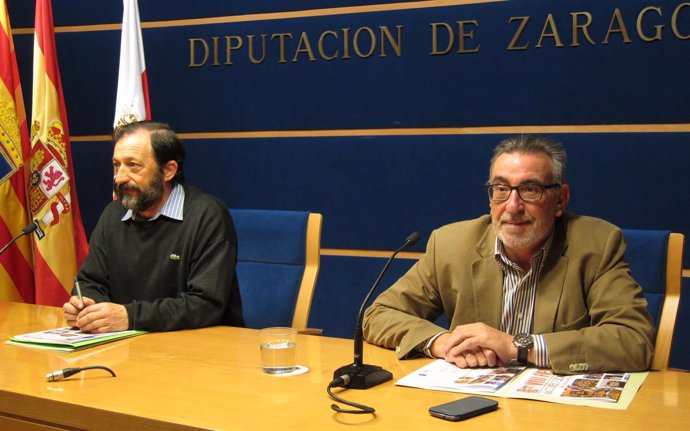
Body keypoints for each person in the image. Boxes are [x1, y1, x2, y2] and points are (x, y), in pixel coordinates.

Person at [363, 135, 655, 374]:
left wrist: (518, 346)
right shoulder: (450, 243)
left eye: (530, 189)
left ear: (560, 199)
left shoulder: (597, 244)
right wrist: (442, 342)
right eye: (501, 189)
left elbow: (634, 340)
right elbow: (378, 315)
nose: (512, 206)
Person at [63, 121, 244, 333]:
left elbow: (206, 305)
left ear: (168, 170)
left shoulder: (207, 216)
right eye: (116, 165)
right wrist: (88, 307)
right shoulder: (113, 214)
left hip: (198, 348)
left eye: (133, 165)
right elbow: (90, 281)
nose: (119, 177)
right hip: (126, 345)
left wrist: (130, 317)